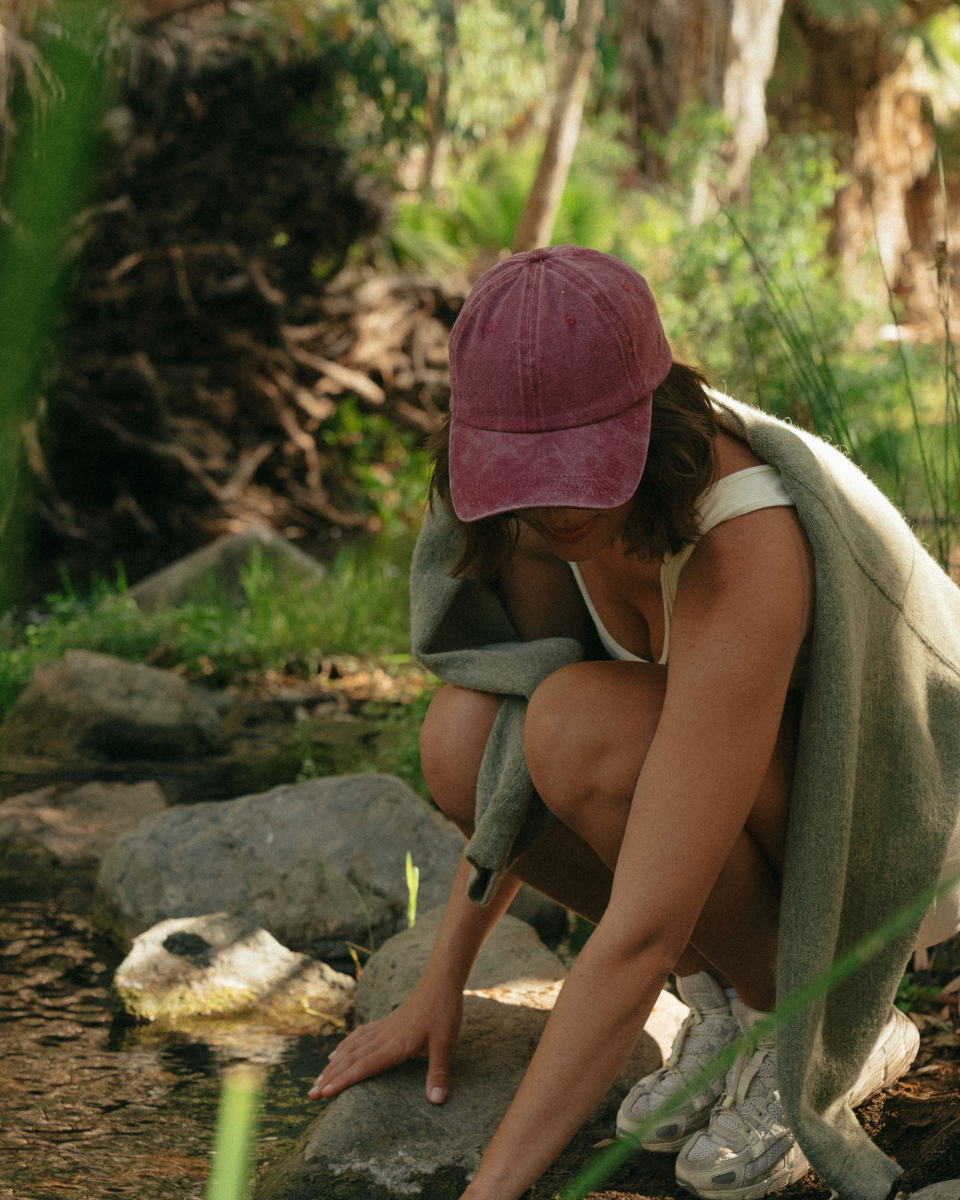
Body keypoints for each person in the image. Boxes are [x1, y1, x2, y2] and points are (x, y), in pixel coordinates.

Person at [310, 245, 960, 1200]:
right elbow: (506, 789)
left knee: (581, 727)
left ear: (649, 417)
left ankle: (821, 1028)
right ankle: (736, 1002)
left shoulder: (746, 541)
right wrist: (436, 984)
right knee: (464, 738)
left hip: (909, 828)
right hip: (759, 799)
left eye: (576, 462)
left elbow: (643, 927)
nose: (555, 501)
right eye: (524, 468)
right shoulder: (538, 524)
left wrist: (486, 1193)